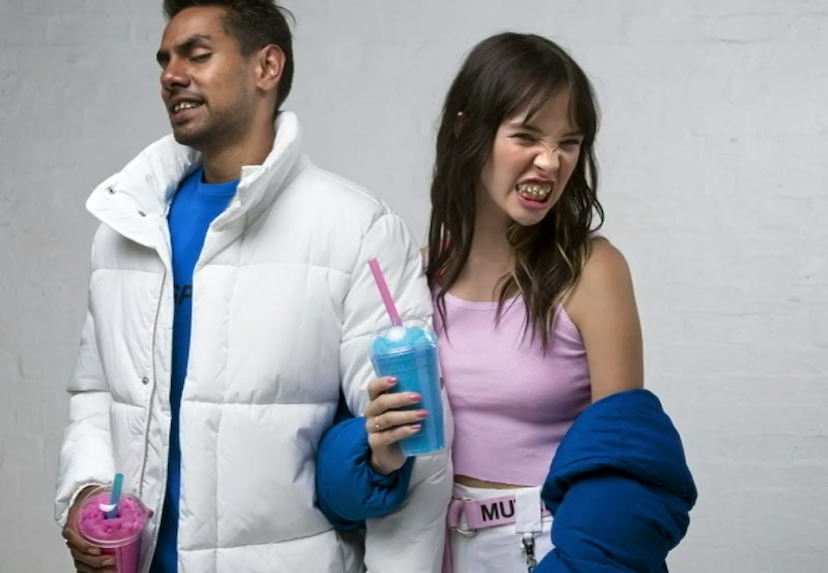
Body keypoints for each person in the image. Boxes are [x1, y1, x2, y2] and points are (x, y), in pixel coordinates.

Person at [53, 1, 451, 572]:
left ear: (267, 67)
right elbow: (96, 392)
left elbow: (417, 453)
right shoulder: (127, 226)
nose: (171, 75)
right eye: (165, 60)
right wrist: (87, 491)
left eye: (197, 54)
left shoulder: (356, 229)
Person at [315, 32, 697, 572]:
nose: (550, 161)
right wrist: (378, 449)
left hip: (550, 548)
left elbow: (621, 463)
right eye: (527, 136)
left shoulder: (591, 271)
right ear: (467, 130)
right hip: (429, 545)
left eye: (569, 142)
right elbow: (374, 463)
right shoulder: (413, 279)